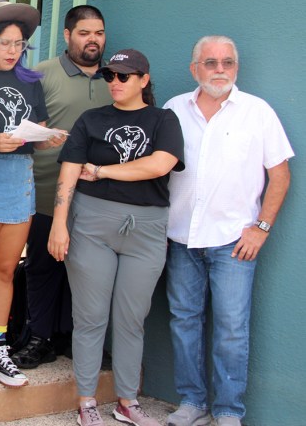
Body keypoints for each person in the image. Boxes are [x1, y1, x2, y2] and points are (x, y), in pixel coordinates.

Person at [48, 49, 184, 426]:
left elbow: (160, 164)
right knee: (90, 317)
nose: (116, 83)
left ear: (144, 79)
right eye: (110, 76)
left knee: (131, 318)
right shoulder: (91, 119)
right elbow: (70, 174)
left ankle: (127, 401)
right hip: (92, 223)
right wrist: (60, 223)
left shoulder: (163, 119)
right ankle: (87, 402)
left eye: (125, 76)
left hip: (147, 228)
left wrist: (103, 169)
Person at [164, 36, 293, 426]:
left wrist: (262, 228)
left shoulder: (258, 112)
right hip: (180, 237)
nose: (220, 69)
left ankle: (228, 410)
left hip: (234, 242)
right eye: (210, 62)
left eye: (228, 62)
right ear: (195, 69)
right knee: (184, 321)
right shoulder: (174, 110)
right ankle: (192, 402)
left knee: (232, 329)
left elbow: (280, 175)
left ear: (237, 68)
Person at [0, 2, 66, 392]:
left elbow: (37, 127)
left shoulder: (30, 81)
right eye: (6, 43)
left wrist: (45, 136)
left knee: (5, 271)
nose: (13, 51)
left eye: (20, 44)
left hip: (21, 177)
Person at [12, 5, 112, 369]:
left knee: (85, 271)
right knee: (43, 267)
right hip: (44, 192)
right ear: (68, 35)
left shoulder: (114, 78)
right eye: (84, 33)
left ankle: (72, 338)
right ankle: (39, 338)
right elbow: (21, 131)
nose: (92, 40)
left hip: (97, 198)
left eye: (99, 33)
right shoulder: (40, 75)